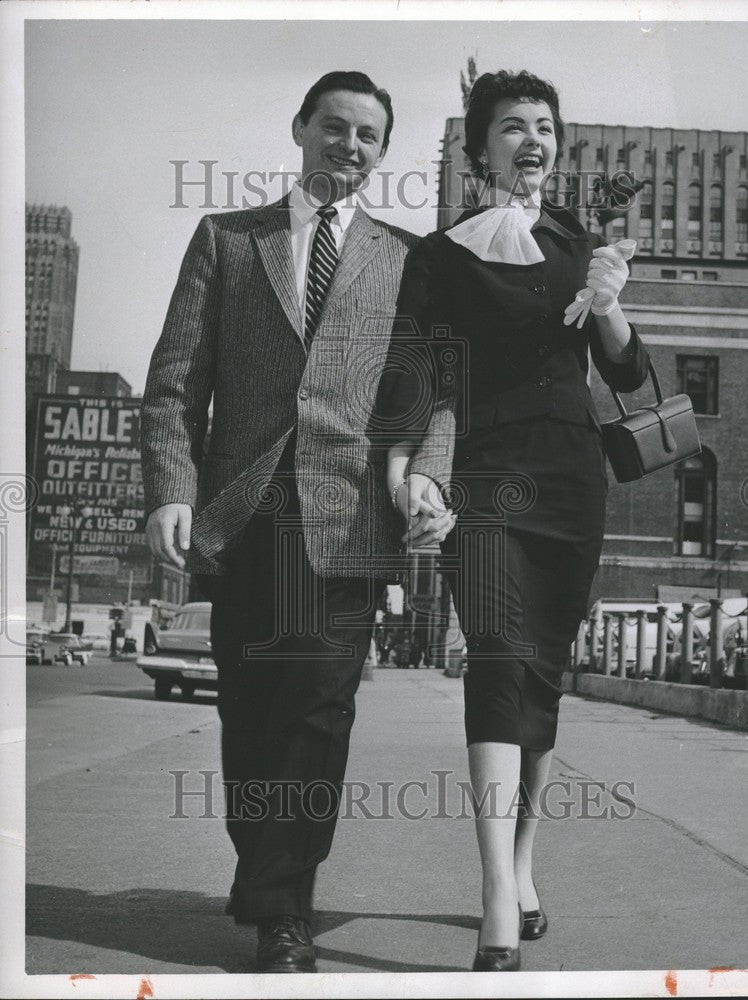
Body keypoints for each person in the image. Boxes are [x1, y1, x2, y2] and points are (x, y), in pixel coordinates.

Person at [141, 70, 453, 973]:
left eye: (367, 136)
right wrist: (173, 488)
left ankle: (284, 908)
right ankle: (266, 875)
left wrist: (428, 478)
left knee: (318, 711)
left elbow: (432, 397)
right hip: (245, 515)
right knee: (250, 711)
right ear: (300, 129)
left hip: (351, 519)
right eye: (334, 127)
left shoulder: (405, 260)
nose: (347, 146)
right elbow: (173, 386)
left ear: (383, 154)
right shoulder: (226, 240)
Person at [376, 69, 650, 971]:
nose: (530, 140)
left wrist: (608, 305)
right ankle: (495, 890)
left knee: (542, 676)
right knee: (496, 659)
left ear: (556, 145)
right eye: (510, 127)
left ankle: (524, 863)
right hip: (485, 482)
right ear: (478, 147)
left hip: (572, 480)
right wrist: (402, 468)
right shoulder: (441, 255)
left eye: (543, 127)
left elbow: (624, 374)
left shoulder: (580, 244)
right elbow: (411, 369)